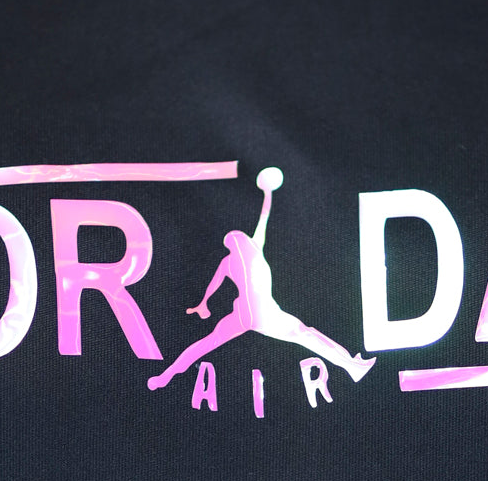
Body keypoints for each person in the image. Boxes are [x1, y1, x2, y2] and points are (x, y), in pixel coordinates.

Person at [148, 166, 375, 389]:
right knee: (306, 334)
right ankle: (351, 366)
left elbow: (214, 284)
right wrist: (268, 193)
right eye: (235, 238)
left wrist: (204, 303)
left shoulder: (233, 258)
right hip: (264, 313)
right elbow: (263, 218)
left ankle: (165, 376)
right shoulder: (252, 247)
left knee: (206, 344)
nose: (236, 238)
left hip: (242, 314)